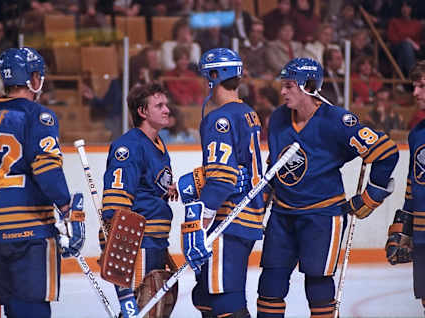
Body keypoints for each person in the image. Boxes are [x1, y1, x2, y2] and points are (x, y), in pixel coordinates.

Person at [257, 57, 398, 317]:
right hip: (282, 215)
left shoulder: (338, 121)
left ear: (309, 86)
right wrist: (259, 205)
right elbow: (274, 166)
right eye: (283, 85)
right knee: (269, 284)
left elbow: (386, 152)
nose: (283, 91)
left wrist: (371, 196)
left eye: (289, 85)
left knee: (318, 282)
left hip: (321, 216)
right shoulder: (278, 118)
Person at [0, 47, 85, 318]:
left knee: (14, 310)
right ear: (33, 78)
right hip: (29, 236)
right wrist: (67, 208)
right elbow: (47, 169)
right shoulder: (38, 115)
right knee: (33, 311)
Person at [178, 48, 264, 317]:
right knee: (205, 296)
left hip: (229, 219)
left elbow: (223, 178)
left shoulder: (219, 119)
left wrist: (201, 221)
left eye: (207, 75)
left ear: (215, 76)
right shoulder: (248, 112)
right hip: (247, 217)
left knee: (225, 300)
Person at [99, 82, 178, 317]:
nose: (167, 110)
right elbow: (116, 201)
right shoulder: (129, 146)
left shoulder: (158, 144)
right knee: (141, 310)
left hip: (156, 242)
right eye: (159, 105)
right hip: (139, 243)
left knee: (151, 311)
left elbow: (148, 189)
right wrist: (116, 246)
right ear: (142, 112)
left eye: (166, 104)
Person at [386, 60, 425, 315]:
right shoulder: (417, 134)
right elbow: (413, 186)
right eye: (414, 86)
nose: (416, 93)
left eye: (422, 86)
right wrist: (405, 228)